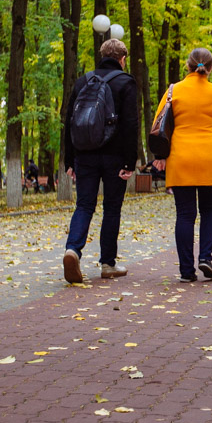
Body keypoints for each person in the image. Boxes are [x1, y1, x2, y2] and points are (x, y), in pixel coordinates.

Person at [61, 39, 140, 284]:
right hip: (115, 157)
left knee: (84, 205)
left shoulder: (83, 81)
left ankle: (72, 250)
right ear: (122, 59)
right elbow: (131, 124)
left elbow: (70, 121)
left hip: (84, 154)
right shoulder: (126, 82)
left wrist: (69, 159)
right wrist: (130, 162)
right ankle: (108, 264)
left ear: (102, 55)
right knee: (112, 208)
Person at [153, 48, 212, 283]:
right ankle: (205, 258)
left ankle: (186, 271)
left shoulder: (174, 90)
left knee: (185, 214)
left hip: (181, 156)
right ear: (210, 68)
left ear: (188, 65)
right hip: (210, 157)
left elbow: (158, 120)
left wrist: (160, 155)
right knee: (210, 210)